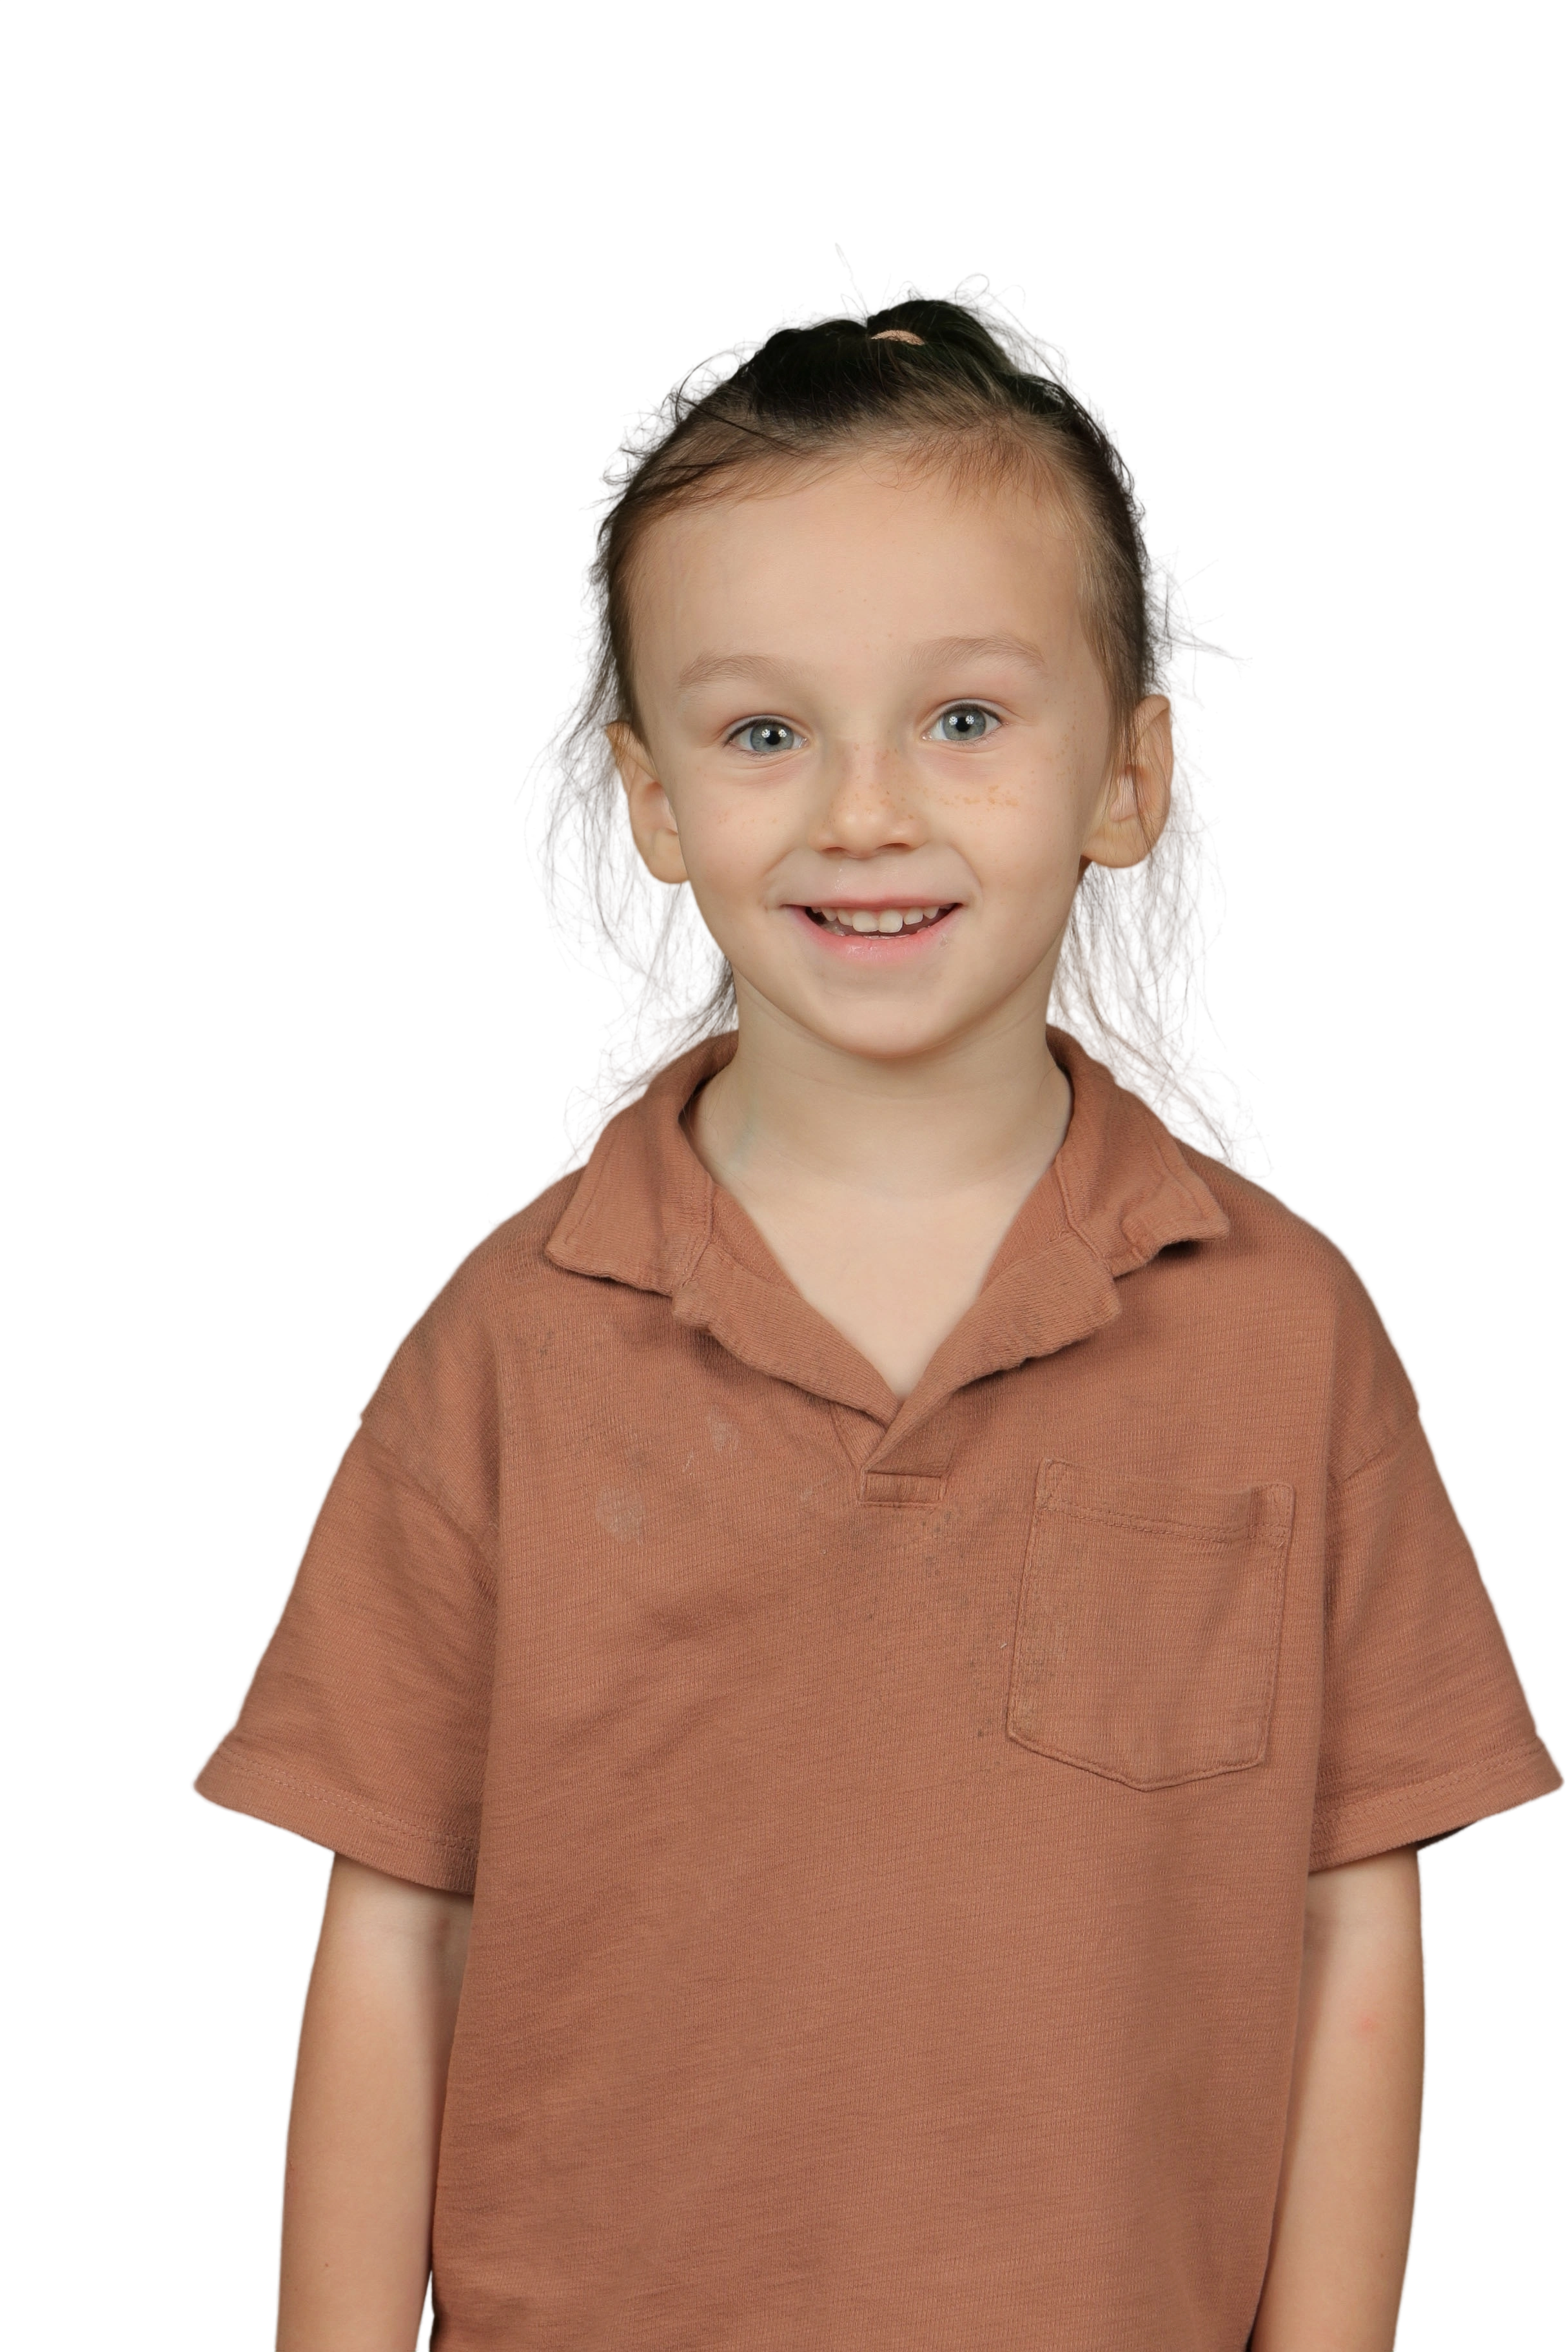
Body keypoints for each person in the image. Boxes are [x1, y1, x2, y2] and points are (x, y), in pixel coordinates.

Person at [187, 269, 1562, 2352]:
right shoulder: (506, 1345)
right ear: (656, 803)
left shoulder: (1286, 1337)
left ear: (1130, 775)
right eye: (766, 729)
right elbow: (396, 1935)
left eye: (964, 717)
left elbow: (1354, 1923)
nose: (864, 810)